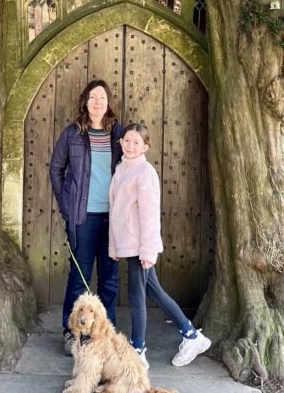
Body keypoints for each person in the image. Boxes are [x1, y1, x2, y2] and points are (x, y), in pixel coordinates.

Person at [108, 123, 211, 367]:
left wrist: (148, 251)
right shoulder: (122, 168)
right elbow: (116, 212)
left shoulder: (145, 173)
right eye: (127, 140)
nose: (131, 145)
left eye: (137, 142)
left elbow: (149, 215)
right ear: (121, 142)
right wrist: (114, 247)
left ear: (146, 147)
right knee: (154, 291)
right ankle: (191, 335)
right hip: (129, 246)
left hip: (140, 247)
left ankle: (138, 350)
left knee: (137, 297)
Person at [49, 79, 125, 354]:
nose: (97, 102)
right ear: (85, 101)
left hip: (112, 218)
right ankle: (72, 334)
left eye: (102, 97)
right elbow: (56, 169)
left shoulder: (118, 133)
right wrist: (66, 205)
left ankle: (107, 333)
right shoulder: (73, 134)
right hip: (83, 218)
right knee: (79, 278)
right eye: (93, 97)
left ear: (108, 103)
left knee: (109, 277)